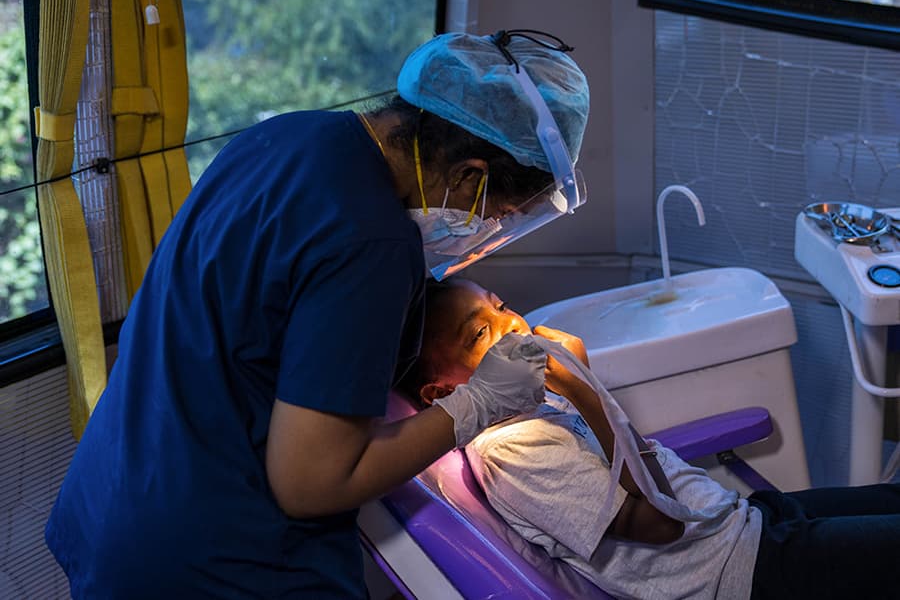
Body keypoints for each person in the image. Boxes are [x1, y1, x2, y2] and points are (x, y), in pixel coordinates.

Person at [44, 30, 591, 598]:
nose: (489, 232)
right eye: (499, 213)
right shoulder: (371, 243)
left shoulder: (290, 135)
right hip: (208, 552)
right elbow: (311, 483)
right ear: (470, 176)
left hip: (117, 490)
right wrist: (477, 405)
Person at [401, 277, 900, 600]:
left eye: (502, 305)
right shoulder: (514, 452)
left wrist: (573, 390)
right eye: (481, 334)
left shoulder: (529, 402)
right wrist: (583, 385)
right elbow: (662, 525)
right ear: (441, 391)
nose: (513, 325)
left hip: (742, 524)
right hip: (740, 574)